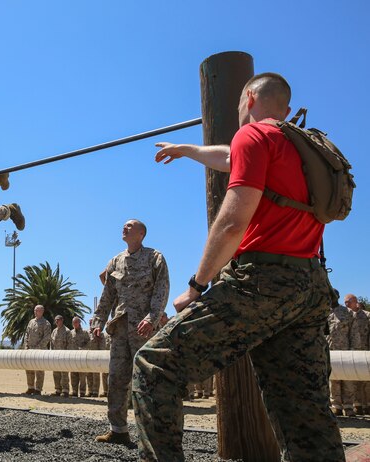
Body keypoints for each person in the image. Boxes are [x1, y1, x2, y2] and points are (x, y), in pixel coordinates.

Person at [138, 72, 344, 460]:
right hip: (311, 284)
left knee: (155, 364)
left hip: (263, 281)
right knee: (305, 410)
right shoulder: (299, 144)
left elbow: (233, 222)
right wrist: (187, 150)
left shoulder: (253, 134)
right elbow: (230, 158)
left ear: (248, 97)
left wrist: (196, 286)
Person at [91, 219, 170, 445]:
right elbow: (108, 296)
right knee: (117, 379)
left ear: (142, 233)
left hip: (143, 329)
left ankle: (153, 434)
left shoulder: (155, 257)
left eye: (130, 226)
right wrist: (98, 320)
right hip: (120, 330)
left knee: (147, 379)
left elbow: (161, 290)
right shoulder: (115, 261)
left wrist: (152, 317)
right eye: (123, 225)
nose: (124, 227)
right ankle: (118, 430)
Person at [327, 290, 353, 416]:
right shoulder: (324, 312)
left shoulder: (347, 312)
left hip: (346, 350)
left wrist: (354, 349)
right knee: (333, 379)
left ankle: (348, 407)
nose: (332, 299)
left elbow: (353, 333)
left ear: (337, 297)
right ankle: (336, 406)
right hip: (330, 350)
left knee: (347, 379)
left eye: (333, 296)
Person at [347, 293, 368, 416]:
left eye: (349, 302)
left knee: (366, 381)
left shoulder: (367, 316)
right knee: (353, 380)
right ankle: (357, 405)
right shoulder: (348, 316)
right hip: (352, 351)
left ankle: (367, 405)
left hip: (365, 350)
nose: (347, 305)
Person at [23, 304, 51, 395]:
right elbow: (26, 334)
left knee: (39, 370)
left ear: (42, 311)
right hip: (29, 350)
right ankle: (30, 387)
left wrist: (38, 347)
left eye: (37, 310)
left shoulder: (46, 323)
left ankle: (38, 389)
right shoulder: (31, 322)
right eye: (35, 310)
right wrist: (26, 346)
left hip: (40, 351)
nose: (35, 312)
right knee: (29, 369)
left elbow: (47, 337)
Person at [69, 316, 90, 397]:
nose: (74, 324)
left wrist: (82, 349)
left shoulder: (85, 332)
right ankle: (74, 391)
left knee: (82, 376)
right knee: (73, 375)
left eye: (76, 322)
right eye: (73, 322)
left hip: (82, 357)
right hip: (73, 357)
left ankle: (82, 392)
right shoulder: (71, 333)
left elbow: (89, 343)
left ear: (79, 323)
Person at [50, 314, 71, 397]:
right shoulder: (54, 331)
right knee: (56, 373)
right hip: (55, 356)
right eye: (56, 320)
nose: (57, 321)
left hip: (64, 356)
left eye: (58, 320)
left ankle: (65, 390)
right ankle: (58, 390)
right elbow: (51, 343)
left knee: (64, 374)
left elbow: (69, 344)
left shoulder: (67, 331)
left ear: (62, 320)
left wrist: (67, 355)